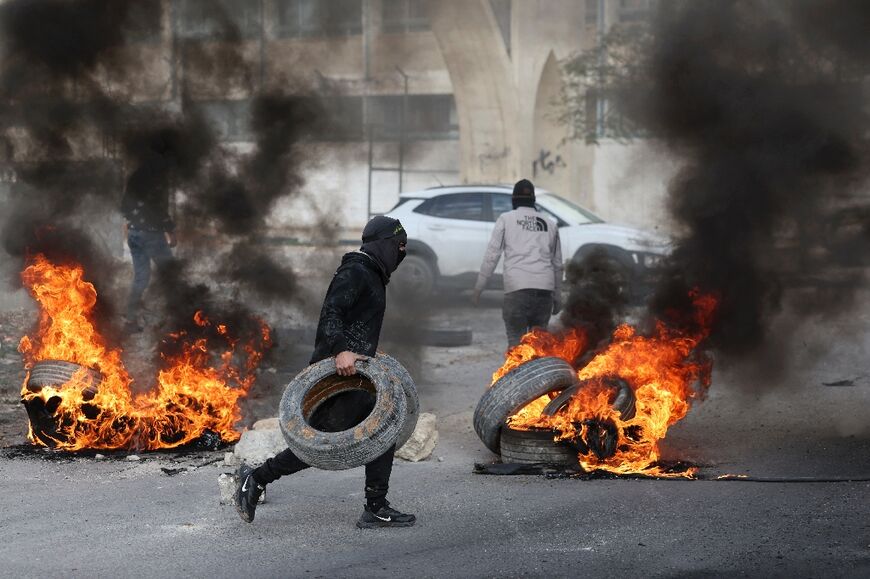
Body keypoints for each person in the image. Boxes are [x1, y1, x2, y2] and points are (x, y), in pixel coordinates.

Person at [234, 215, 416, 529]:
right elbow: (332, 311)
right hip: (337, 378)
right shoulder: (356, 271)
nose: (401, 253)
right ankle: (256, 478)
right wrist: (341, 349)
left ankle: (376, 506)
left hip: (358, 376)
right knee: (317, 449)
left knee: (382, 433)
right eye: (398, 246)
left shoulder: (372, 273)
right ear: (384, 244)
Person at [472, 179, 563, 347]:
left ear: (514, 199)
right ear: (534, 200)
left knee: (516, 345)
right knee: (538, 346)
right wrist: (558, 296)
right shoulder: (550, 224)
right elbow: (557, 264)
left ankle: (517, 372)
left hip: (517, 291)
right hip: (544, 293)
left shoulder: (506, 219)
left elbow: (492, 255)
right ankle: (539, 373)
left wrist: (479, 287)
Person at [120, 169, 176, 334]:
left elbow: (124, 208)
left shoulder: (135, 176)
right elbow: (159, 209)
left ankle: (130, 320)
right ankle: (178, 319)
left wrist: (135, 220)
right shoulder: (156, 179)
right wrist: (170, 231)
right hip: (152, 235)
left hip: (134, 233)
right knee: (172, 274)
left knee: (141, 278)